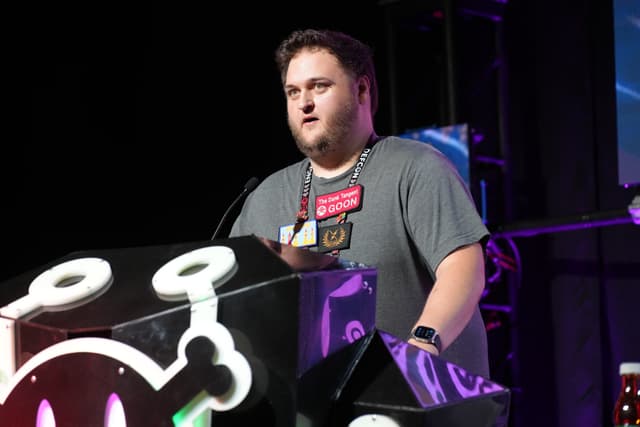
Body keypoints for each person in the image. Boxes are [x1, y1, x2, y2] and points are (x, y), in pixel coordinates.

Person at [229, 28, 491, 378]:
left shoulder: (415, 167)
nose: (304, 102)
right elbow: (230, 302)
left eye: (319, 86)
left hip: (415, 400)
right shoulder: (263, 199)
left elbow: (464, 269)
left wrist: (421, 350)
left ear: (362, 90)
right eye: (293, 92)